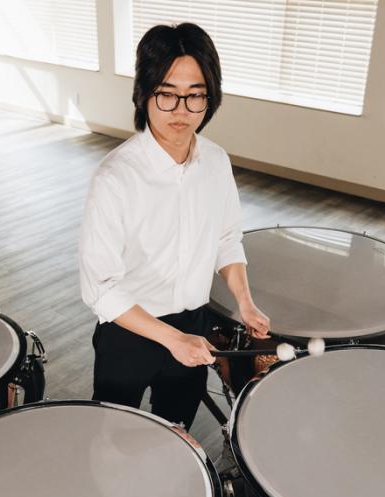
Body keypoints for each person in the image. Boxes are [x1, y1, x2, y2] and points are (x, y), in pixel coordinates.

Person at [79, 22, 269, 430]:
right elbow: (101, 289)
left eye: (195, 95)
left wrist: (245, 301)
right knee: (113, 437)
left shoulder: (216, 161)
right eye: (167, 94)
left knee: (175, 432)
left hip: (193, 324)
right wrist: (169, 339)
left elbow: (226, 238)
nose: (181, 111)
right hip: (130, 331)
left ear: (209, 97)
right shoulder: (115, 177)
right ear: (145, 94)